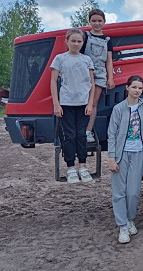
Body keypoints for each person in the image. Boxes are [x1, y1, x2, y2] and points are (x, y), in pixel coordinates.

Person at [107, 75, 143, 244]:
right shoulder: (119, 109)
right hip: (121, 154)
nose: (137, 91)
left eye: (140, 88)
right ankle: (123, 227)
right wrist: (112, 158)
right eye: (134, 87)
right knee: (119, 192)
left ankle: (130, 219)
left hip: (139, 153)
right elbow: (111, 134)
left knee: (133, 192)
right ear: (127, 88)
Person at [50, 29, 95, 183]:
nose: (76, 44)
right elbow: (53, 82)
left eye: (79, 41)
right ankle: (70, 168)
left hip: (83, 104)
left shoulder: (87, 59)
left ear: (83, 43)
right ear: (67, 41)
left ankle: (82, 166)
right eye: (73, 41)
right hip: (66, 103)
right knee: (69, 136)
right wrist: (56, 104)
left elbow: (92, 84)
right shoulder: (60, 59)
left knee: (81, 135)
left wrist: (90, 103)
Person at [81, 9, 115, 143]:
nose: (97, 23)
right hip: (84, 73)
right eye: (94, 21)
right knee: (82, 101)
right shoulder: (85, 36)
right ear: (89, 22)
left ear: (104, 22)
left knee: (93, 103)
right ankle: (79, 130)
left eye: (99, 21)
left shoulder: (107, 40)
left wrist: (110, 78)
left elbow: (109, 60)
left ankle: (88, 131)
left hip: (100, 74)